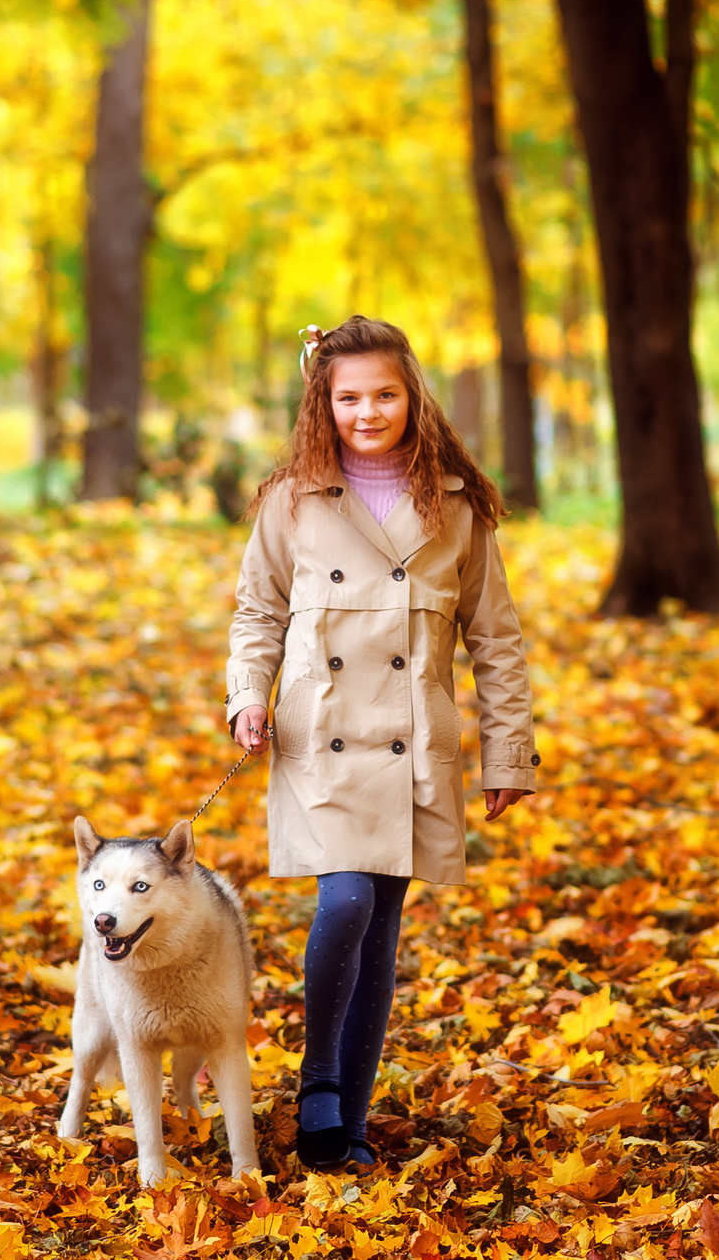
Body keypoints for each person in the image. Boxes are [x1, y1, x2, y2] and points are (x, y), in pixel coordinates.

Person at [225, 314, 540, 1172]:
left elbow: (496, 640)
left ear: (413, 397)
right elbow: (256, 611)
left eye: (385, 394)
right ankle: (318, 1079)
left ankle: (345, 1126)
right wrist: (246, 697)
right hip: (317, 734)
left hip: (411, 744)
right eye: (349, 396)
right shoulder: (290, 501)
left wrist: (508, 756)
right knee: (347, 903)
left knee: (381, 928)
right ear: (322, 402)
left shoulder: (457, 509)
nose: (368, 411)